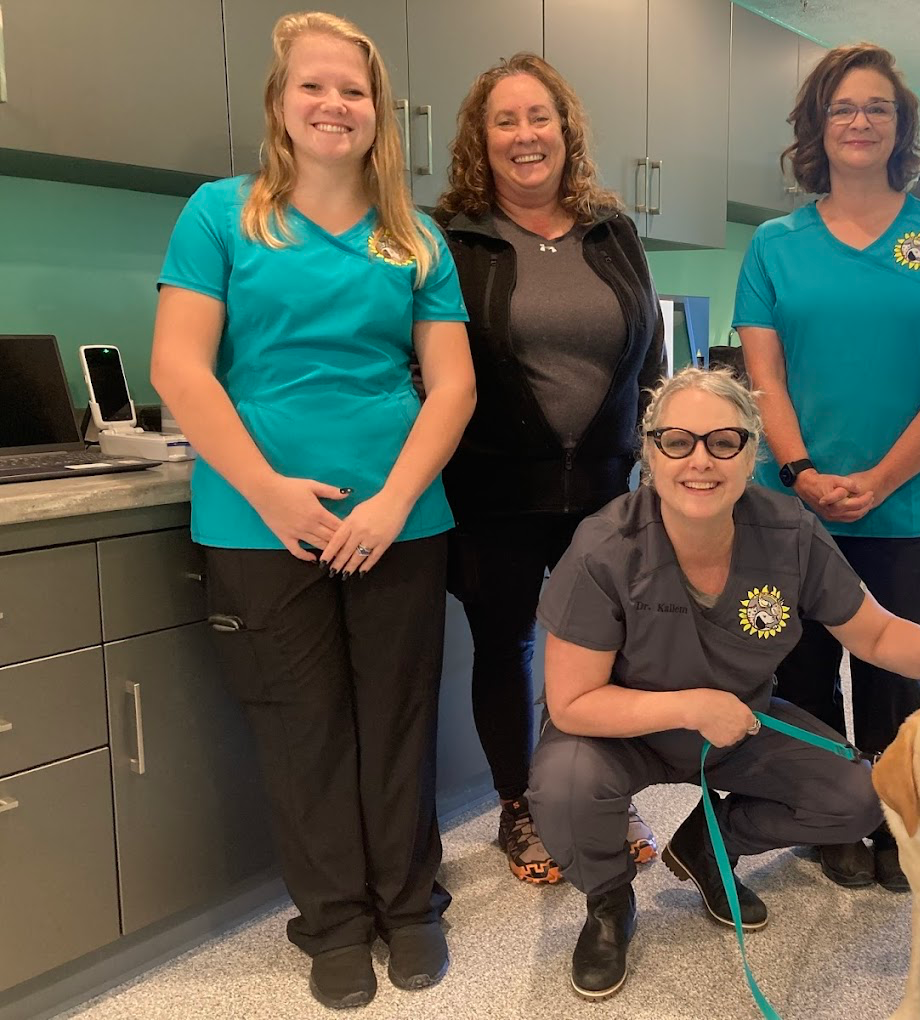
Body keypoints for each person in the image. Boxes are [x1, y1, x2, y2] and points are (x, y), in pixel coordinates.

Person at [525, 368, 920, 1000]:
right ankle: (609, 902)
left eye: (724, 441)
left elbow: (875, 633)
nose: (700, 460)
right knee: (564, 786)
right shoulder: (605, 548)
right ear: (650, 450)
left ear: (752, 451)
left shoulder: (788, 533)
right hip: (622, 732)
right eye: (677, 441)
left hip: (741, 725)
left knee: (859, 797)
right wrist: (692, 705)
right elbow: (574, 703)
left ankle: (709, 845)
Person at [150, 12, 475, 1009]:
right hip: (257, 521)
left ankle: (408, 906)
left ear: (380, 113)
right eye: (313, 86)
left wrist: (392, 502)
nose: (335, 104)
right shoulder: (221, 215)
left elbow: (453, 386)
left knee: (398, 718)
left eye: (354, 90)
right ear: (280, 103)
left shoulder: (413, 237)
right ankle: (332, 921)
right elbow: (179, 368)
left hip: (398, 521)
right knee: (304, 727)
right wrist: (270, 492)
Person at [734, 42, 920, 892]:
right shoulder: (775, 245)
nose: (859, 121)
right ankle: (830, 818)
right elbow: (764, 379)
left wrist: (880, 479)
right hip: (792, 503)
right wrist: (801, 472)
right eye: (842, 107)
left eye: (877, 107)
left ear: (901, 126)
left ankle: (899, 820)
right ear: (816, 125)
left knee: (893, 674)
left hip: (909, 503)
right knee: (803, 669)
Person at [430, 54, 665, 886]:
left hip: (604, 490)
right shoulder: (453, 237)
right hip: (493, 490)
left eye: (540, 117)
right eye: (505, 120)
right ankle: (519, 805)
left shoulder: (612, 231)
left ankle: (600, 794)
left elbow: (648, 357)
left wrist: (656, 453)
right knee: (505, 646)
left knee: (603, 649)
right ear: (480, 138)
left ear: (566, 130)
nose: (525, 135)